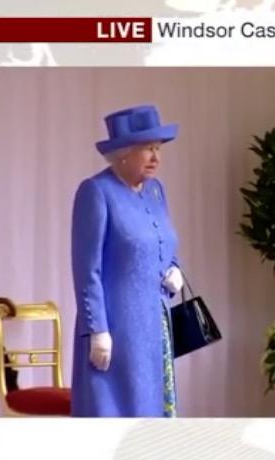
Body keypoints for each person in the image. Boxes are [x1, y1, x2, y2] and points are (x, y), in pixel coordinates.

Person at [70, 104, 184, 417]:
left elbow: (165, 243)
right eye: (148, 149)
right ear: (123, 152)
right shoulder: (96, 192)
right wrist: (97, 330)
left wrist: (176, 269)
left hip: (155, 325)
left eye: (158, 148)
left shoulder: (155, 191)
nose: (156, 158)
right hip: (117, 328)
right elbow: (86, 268)